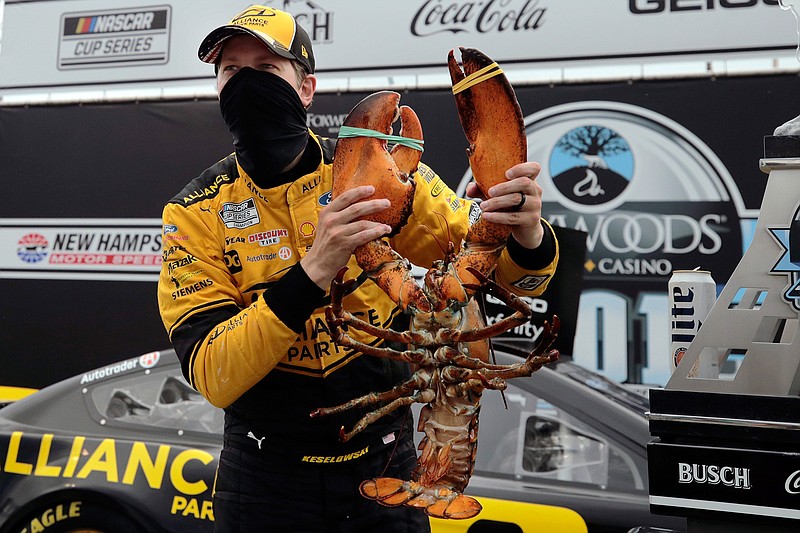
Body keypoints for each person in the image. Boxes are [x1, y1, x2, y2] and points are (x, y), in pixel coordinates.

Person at [157, 5, 559, 532]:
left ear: (306, 88)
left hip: (386, 464)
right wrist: (315, 268)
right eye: (232, 71)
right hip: (263, 479)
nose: (247, 83)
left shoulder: (372, 171)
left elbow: (507, 276)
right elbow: (214, 374)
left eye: (267, 69)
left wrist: (526, 233)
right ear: (216, 85)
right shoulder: (194, 211)